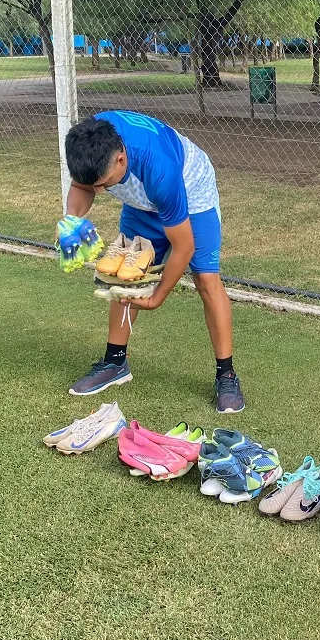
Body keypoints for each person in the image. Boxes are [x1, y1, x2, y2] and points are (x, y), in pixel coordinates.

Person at [61, 110, 244, 413]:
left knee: (206, 279)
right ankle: (115, 362)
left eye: (103, 185)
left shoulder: (161, 170)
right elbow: (83, 186)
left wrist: (158, 295)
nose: (98, 192)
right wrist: (71, 221)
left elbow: (182, 247)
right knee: (124, 270)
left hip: (190, 190)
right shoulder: (89, 142)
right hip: (140, 198)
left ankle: (226, 374)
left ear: (120, 160)